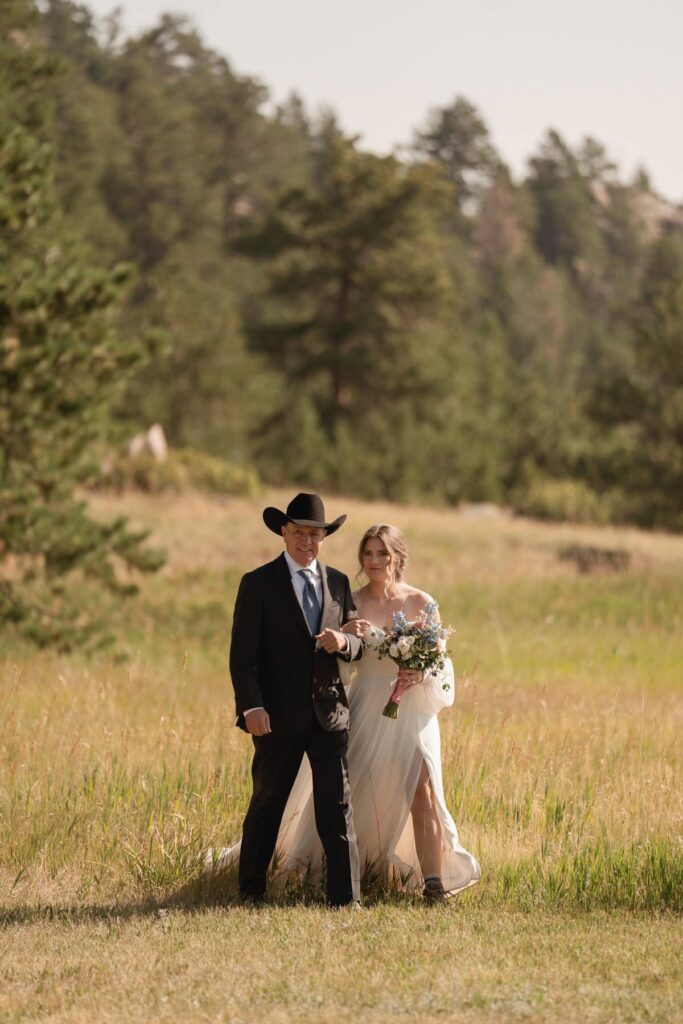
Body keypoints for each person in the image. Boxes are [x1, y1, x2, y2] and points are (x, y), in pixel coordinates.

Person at [210, 521, 480, 904]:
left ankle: (433, 883)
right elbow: (339, 658)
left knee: (424, 787)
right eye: (367, 553)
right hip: (366, 705)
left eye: (382, 553)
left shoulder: (422, 602)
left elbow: (442, 663)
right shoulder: (348, 599)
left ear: (397, 556)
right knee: (350, 795)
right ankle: (350, 871)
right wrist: (347, 640)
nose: (374, 561)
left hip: (412, 711)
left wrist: (419, 671)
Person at [227, 492, 364, 908]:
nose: (308, 540)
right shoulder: (258, 583)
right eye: (300, 532)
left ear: (324, 537)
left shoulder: (338, 582)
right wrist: (251, 707)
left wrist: (345, 641)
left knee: (336, 809)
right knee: (267, 802)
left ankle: (346, 899)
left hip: (329, 714)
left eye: (316, 534)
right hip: (275, 718)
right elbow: (242, 657)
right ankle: (251, 892)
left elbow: (357, 641)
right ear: (284, 532)